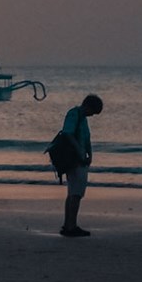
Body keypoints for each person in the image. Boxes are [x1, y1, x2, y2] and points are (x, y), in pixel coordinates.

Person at [57, 94, 103, 237]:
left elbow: (86, 139)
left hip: (79, 158)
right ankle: (71, 226)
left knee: (73, 193)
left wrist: (89, 154)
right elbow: (67, 134)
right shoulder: (74, 114)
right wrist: (79, 151)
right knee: (76, 194)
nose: (92, 115)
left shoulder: (82, 118)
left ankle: (68, 225)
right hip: (74, 160)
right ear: (87, 106)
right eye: (93, 111)